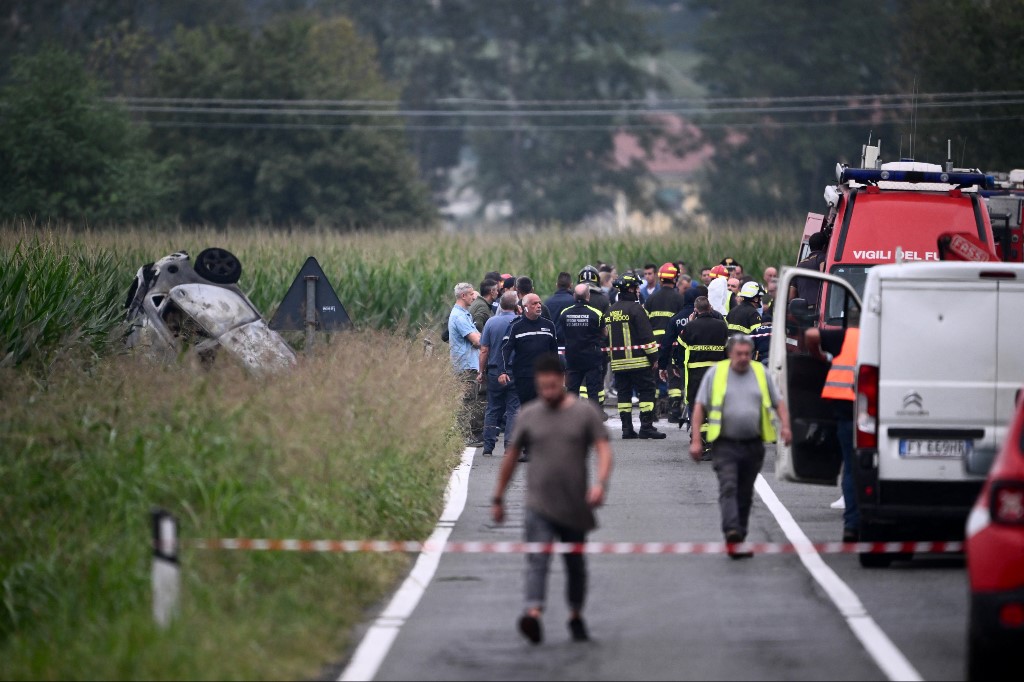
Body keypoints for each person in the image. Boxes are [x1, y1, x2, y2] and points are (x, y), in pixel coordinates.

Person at [491, 353, 613, 645]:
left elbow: (603, 449)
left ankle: (575, 614)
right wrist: (498, 497)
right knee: (538, 559)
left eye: (553, 387)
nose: (547, 392)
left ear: (564, 381)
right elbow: (510, 458)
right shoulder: (529, 414)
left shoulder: (585, 413)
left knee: (575, 563)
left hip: (575, 505)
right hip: (539, 505)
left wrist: (600, 484)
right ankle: (533, 613)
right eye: (543, 387)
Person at [689, 335, 792, 558]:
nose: (744, 358)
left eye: (747, 354)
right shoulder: (716, 374)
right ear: (729, 353)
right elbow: (699, 407)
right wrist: (696, 439)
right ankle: (732, 531)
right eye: (739, 354)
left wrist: (786, 427)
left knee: (744, 494)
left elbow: (778, 402)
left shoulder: (760, 373)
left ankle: (739, 539)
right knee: (728, 487)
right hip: (725, 444)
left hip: (753, 445)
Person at [805, 315, 860, 543]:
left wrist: (819, 356)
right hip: (876, 408)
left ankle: (852, 523)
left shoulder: (847, 335)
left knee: (850, 465)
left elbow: (810, 334)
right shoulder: (889, 336)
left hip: (845, 406)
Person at [606, 274, 666, 439]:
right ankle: (646, 427)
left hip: (618, 364)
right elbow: (646, 337)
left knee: (623, 395)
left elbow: (606, 338)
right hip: (639, 362)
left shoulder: (610, 310)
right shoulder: (637, 309)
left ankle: (627, 429)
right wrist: (654, 358)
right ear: (630, 289)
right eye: (637, 288)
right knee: (646, 392)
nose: (639, 291)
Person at [670, 296, 728, 456]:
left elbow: (679, 349)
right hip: (717, 372)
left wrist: (676, 365)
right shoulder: (722, 326)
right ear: (710, 307)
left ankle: (703, 443)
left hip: (696, 374)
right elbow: (728, 348)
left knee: (699, 407)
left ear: (696, 310)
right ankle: (713, 444)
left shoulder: (690, 327)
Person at [500, 293, 558, 433]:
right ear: (525, 308)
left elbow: (554, 353)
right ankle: (528, 447)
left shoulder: (549, 325)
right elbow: (505, 350)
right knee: (528, 411)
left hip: (544, 376)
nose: (538, 306)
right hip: (524, 377)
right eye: (534, 303)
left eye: (539, 303)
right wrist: (502, 371)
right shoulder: (516, 327)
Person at [479, 291, 522, 456]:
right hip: (514, 371)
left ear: (501, 305)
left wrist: (481, 371)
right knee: (513, 409)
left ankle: (488, 446)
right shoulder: (519, 322)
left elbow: (484, 350)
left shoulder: (491, 322)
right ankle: (509, 446)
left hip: (495, 370)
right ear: (516, 306)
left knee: (493, 408)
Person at [645, 262, 686, 421]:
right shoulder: (679, 298)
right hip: (673, 344)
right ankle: (674, 413)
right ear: (675, 279)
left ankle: (652, 413)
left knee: (653, 378)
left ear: (660, 279)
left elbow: (645, 322)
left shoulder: (651, 298)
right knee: (674, 376)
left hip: (654, 344)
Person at [559, 283, 607, 411]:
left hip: (572, 359)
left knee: (572, 392)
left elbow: (564, 331)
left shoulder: (565, 313)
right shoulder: (596, 313)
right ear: (588, 296)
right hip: (592, 358)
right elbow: (604, 333)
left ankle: (570, 420)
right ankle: (593, 421)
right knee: (593, 392)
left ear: (574, 296)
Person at [449, 282, 485, 446]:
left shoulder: (464, 314)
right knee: (467, 401)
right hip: (465, 365)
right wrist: (487, 340)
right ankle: (464, 437)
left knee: (470, 400)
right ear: (463, 296)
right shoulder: (459, 316)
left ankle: (465, 435)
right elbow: (477, 340)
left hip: (469, 363)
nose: (473, 296)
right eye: (471, 294)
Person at [789, 232, 829, 306]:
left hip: (803, 311)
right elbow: (825, 279)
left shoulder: (800, 265)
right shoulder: (821, 258)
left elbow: (791, 295)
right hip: (817, 308)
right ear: (824, 246)